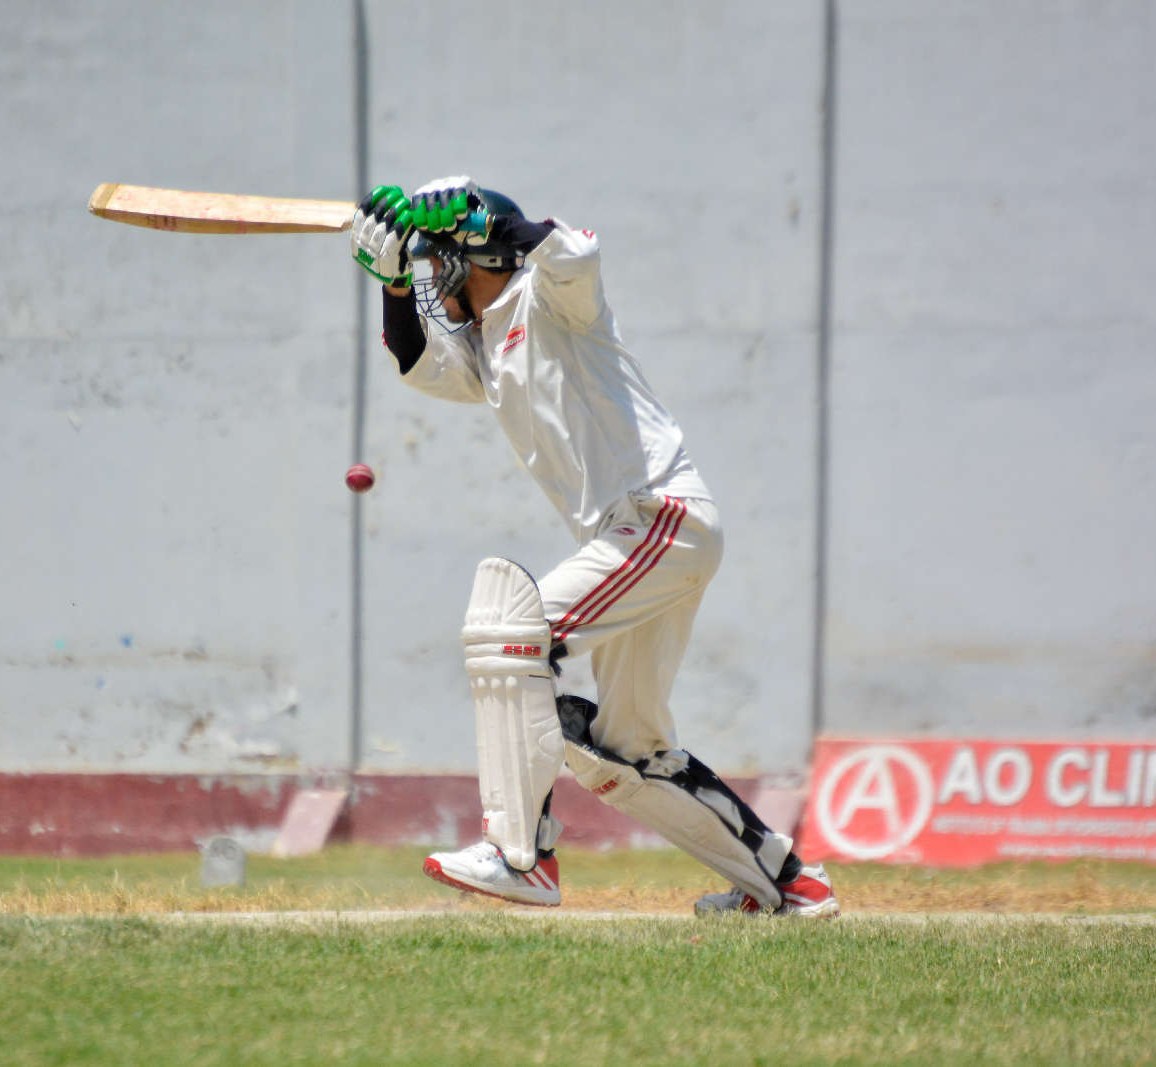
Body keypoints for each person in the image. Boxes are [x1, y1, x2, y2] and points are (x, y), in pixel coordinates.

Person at [349, 177, 838, 917]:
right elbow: (416, 362)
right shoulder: (484, 347)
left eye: (434, 264)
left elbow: (574, 251)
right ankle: (788, 887)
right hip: (640, 538)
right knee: (628, 750)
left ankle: (519, 856)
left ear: (473, 255)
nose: (430, 282)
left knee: (511, 632)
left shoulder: (551, 298)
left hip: (659, 517)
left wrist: (487, 224)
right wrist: (390, 287)